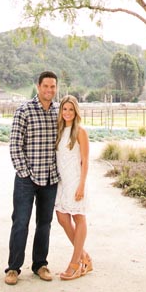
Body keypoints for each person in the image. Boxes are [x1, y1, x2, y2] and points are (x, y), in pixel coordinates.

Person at [4, 71, 59, 285]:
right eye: (46, 86)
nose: (49, 90)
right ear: (38, 87)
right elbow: (15, 145)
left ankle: (40, 265)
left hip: (50, 178)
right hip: (26, 179)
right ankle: (13, 268)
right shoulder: (24, 110)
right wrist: (24, 172)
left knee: (44, 224)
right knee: (20, 222)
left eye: (53, 86)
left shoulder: (58, 112)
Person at [53, 94, 93, 280]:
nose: (67, 112)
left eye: (71, 109)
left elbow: (85, 161)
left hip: (76, 181)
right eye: (64, 109)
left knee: (79, 217)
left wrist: (82, 186)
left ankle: (75, 263)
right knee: (62, 217)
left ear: (76, 111)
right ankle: (84, 256)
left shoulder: (80, 132)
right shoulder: (60, 131)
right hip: (63, 182)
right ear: (61, 111)